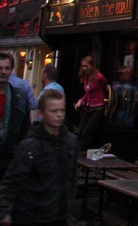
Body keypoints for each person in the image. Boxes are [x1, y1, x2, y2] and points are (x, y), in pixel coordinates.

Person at [0, 89, 79, 225]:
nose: (59, 115)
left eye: (62, 110)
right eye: (53, 111)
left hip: (59, 215)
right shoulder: (30, 146)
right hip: (32, 215)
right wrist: (4, 212)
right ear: (41, 113)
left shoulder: (70, 142)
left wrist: (69, 211)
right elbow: (11, 181)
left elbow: (71, 179)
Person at [0, 53, 31, 178]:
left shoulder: (20, 97)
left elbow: (25, 129)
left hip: (9, 159)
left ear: (11, 70)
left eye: (7, 68)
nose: (3, 72)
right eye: (0, 68)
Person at [74, 55, 108, 150]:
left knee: (86, 132)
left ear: (92, 66)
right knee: (80, 132)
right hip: (89, 107)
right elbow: (88, 93)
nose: (84, 68)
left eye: (87, 66)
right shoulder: (86, 77)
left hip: (97, 107)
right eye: (83, 66)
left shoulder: (99, 77)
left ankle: (86, 151)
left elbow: (104, 87)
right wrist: (81, 100)